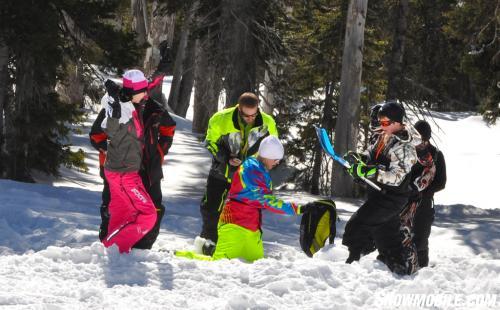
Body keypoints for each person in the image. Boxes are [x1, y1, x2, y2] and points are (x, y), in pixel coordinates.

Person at [176, 136, 313, 261]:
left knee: (255, 265)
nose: (277, 162)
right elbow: (265, 200)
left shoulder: (259, 167)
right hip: (234, 225)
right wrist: (298, 208)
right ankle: (178, 256)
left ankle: (208, 248)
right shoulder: (252, 169)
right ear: (266, 155)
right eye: (276, 159)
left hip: (252, 231)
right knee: (219, 264)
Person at [90, 74, 176, 250]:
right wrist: (109, 151)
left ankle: (142, 249)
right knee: (115, 209)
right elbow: (97, 134)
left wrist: (159, 152)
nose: (145, 95)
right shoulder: (117, 107)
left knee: (153, 209)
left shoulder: (154, 108)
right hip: (120, 171)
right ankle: (111, 247)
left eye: (146, 91)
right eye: (141, 91)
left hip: (148, 170)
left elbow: (169, 128)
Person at [342, 101, 419, 275]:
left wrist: (372, 173)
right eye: (380, 122)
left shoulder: (405, 147)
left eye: (385, 123)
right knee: (386, 236)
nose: (381, 126)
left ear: (397, 123)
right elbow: (372, 153)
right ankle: (398, 269)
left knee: (358, 225)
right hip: (379, 194)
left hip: (391, 198)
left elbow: (397, 177)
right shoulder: (385, 137)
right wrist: (360, 159)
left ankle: (350, 265)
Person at [197, 92, 278, 255]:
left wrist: (253, 163)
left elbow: (272, 147)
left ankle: (245, 245)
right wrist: (225, 158)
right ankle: (208, 243)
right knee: (211, 208)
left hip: (248, 177)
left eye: (254, 115)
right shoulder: (221, 118)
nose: (250, 119)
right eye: (246, 116)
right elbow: (210, 142)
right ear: (239, 109)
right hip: (222, 171)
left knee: (248, 212)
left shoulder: (267, 122)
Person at [410, 120, 447, 267]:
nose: (421, 142)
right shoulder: (407, 152)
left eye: (424, 139)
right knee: (401, 237)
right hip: (404, 201)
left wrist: (424, 190)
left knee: (420, 239)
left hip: (424, 203)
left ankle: (422, 271)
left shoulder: (436, 155)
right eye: (418, 138)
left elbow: (441, 182)